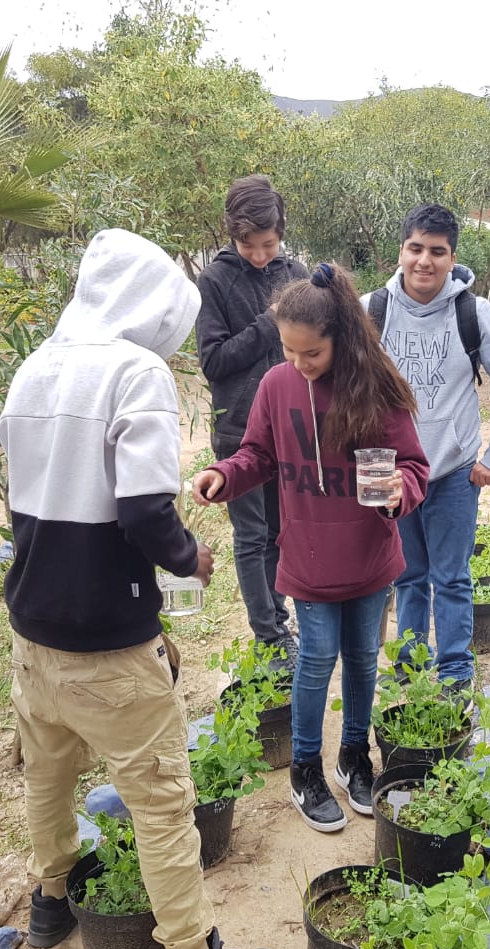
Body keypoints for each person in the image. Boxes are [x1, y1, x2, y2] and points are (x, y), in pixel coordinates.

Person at [0, 229, 272, 949]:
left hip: (31, 635)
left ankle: (51, 904)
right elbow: (147, 509)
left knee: (48, 785)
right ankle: (192, 946)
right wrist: (193, 557)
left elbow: (27, 497)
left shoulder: (33, 370)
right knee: (160, 806)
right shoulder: (135, 373)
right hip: (110, 649)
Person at [193, 263, 428, 833]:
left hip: (370, 553)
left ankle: (353, 757)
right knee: (317, 658)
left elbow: (415, 467)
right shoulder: (276, 387)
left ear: (339, 339)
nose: (298, 364)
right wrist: (226, 474)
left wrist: (402, 490)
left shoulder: (375, 386)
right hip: (309, 557)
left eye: (311, 355)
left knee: (366, 658)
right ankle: (305, 767)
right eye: (288, 351)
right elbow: (258, 456)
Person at [367, 203, 490, 689]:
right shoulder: (370, 311)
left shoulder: (472, 312)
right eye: (415, 248)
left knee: (452, 577)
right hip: (387, 472)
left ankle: (456, 671)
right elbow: (337, 388)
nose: (425, 261)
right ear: (400, 251)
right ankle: (412, 668)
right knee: (404, 577)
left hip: (454, 473)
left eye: (437, 252)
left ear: (451, 256)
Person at [196, 174, 309, 669]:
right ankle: (268, 635)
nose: (260, 254)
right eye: (248, 245)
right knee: (252, 534)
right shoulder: (215, 280)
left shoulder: (296, 272)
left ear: (281, 231)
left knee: (285, 531)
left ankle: (280, 616)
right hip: (239, 429)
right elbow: (214, 360)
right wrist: (271, 322)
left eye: (268, 243)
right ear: (231, 235)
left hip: (293, 427)